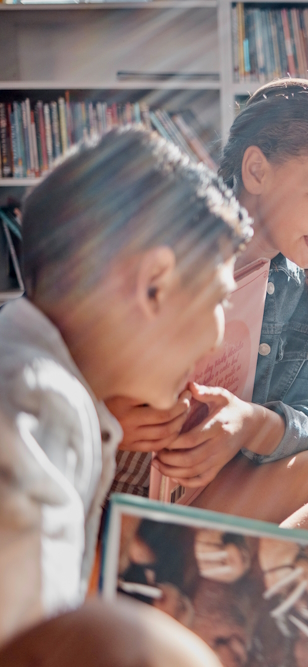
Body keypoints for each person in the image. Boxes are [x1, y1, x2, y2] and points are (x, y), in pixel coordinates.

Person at [107, 79, 308, 556]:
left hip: (214, 491)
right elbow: (35, 355)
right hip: (109, 486)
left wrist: (251, 423)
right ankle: (183, 576)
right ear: (256, 170)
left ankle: (240, 585)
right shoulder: (149, 251)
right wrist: (104, 420)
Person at [0, 126, 246, 666]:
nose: (218, 335)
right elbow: (35, 647)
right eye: (220, 296)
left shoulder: (22, 358)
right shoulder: (41, 406)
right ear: (155, 283)